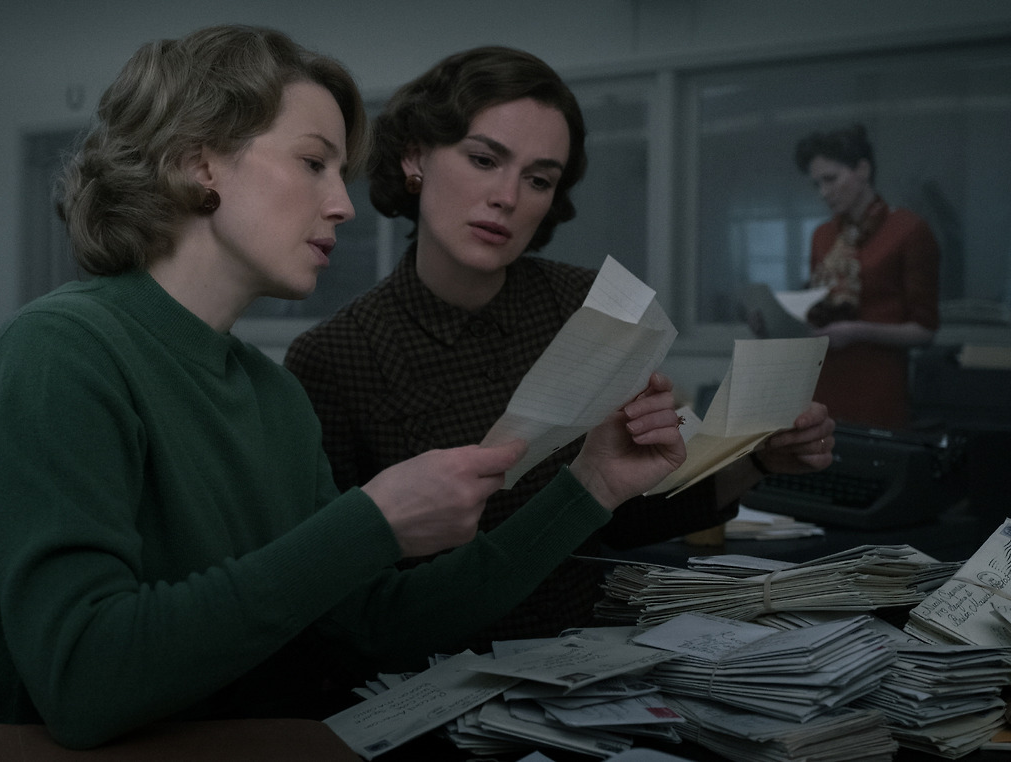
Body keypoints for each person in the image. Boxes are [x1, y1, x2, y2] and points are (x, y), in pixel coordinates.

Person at [0, 26, 691, 761]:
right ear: (198, 163)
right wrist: (371, 521)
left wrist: (590, 486)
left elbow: (374, 625)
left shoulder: (272, 395)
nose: (343, 205)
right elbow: (84, 683)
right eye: (313, 162)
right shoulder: (62, 351)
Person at [285, 46, 835, 647]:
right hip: (428, 664)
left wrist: (757, 460)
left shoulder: (588, 306)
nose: (508, 196)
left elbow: (620, 517)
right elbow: (342, 598)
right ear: (415, 157)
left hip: (586, 654)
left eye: (538, 179)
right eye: (484, 159)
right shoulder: (335, 356)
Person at [794, 124, 940, 429]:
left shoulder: (908, 230)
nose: (823, 192)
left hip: (877, 388)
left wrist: (858, 331)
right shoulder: (823, 236)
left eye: (831, 179)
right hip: (823, 384)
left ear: (862, 170)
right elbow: (816, 309)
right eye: (817, 184)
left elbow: (925, 331)